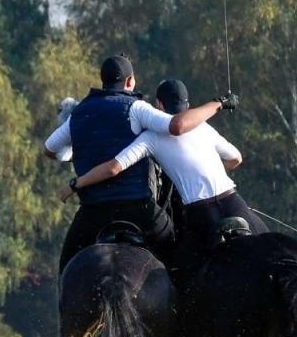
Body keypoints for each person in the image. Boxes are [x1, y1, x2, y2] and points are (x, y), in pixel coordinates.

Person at [59, 78, 262, 287]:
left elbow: (113, 168)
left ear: (159, 105)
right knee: (268, 244)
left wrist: (76, 184)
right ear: (188, 105)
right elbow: (236, 158)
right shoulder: (204, 128)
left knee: (180, 279)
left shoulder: (152, 137)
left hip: (201, 214)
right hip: (233, 202)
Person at [42, 54, 236, 272]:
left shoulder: (77, 114)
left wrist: (74, 154)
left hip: (93, 211)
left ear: (102, 80)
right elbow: (176, 126)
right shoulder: (137, 108)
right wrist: (219, 104)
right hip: (137, 208)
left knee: (67, 266)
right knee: (176, 255)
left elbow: (50, 148)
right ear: (129, 82)